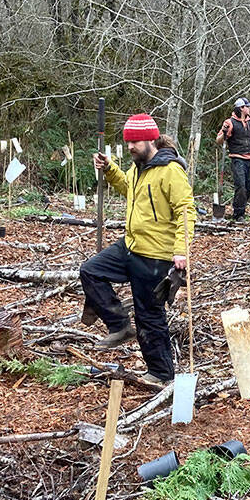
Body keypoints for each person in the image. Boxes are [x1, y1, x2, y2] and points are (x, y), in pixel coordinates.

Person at [81, 114, 195, 385]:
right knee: (91, 271)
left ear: (151, 140)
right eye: (128, 141)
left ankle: (161, 373)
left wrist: (181, 249)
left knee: (149, 316)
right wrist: (110, 169)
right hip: (130, 246)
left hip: (155, 254)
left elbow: (186, 210)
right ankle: (119, 325)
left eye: (135, 141)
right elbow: (127, 188)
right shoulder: (138, 169)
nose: (131, 146)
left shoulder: (170, 170)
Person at [215, 98, 250, 221]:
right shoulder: (230, 122)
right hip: (237, 158)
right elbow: (219, 141)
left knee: (248, 188)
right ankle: (239, 214)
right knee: (241, 186)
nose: (249, 108)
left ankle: (240, 210)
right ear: (241, 108)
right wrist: (224, 132)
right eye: (247, 106)